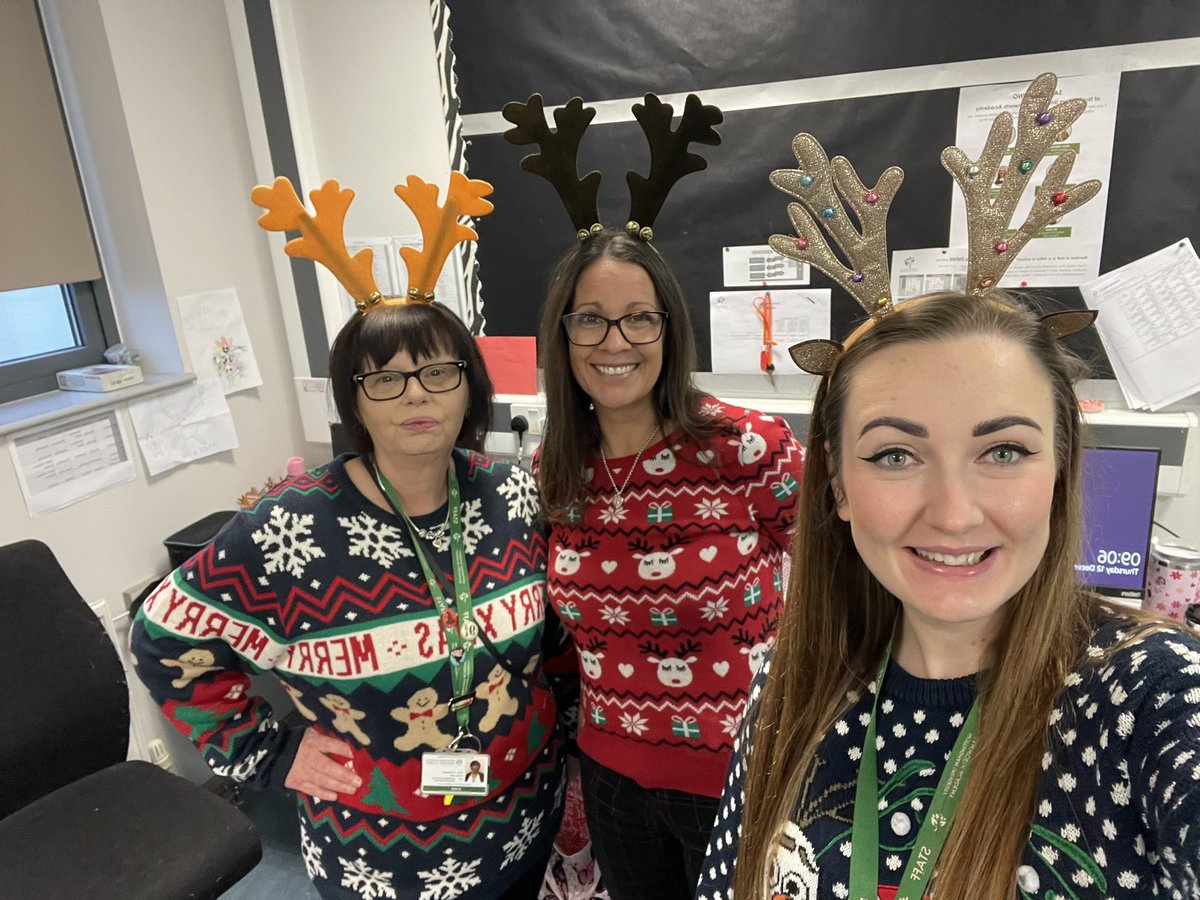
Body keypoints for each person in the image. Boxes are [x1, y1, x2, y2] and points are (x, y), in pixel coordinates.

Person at [696, 292, 1200, 899]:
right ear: (838, 484)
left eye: (1004, 452)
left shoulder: (1152, 694)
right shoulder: (794, 677)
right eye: (896, 455)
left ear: (1060, 467)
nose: (954, 515)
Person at [132, 297, 566, 899]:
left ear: (470, 387)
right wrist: (268, 753)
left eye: (438, 372)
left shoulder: (513, 495)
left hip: (526, 825)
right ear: (353, 400)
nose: (417, 395)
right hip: (379, 862)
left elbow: (557, 637)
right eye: (385, 379)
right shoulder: (286, 528)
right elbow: (161, 638)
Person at [535, 228, 804, 900]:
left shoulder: (745, 446)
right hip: (611, 780)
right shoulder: (555, 468)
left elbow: (845, 577)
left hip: (740, 779)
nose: (615, 341)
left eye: (639, 318)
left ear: (669, 329)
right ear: (563, 335)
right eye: (590, 319)